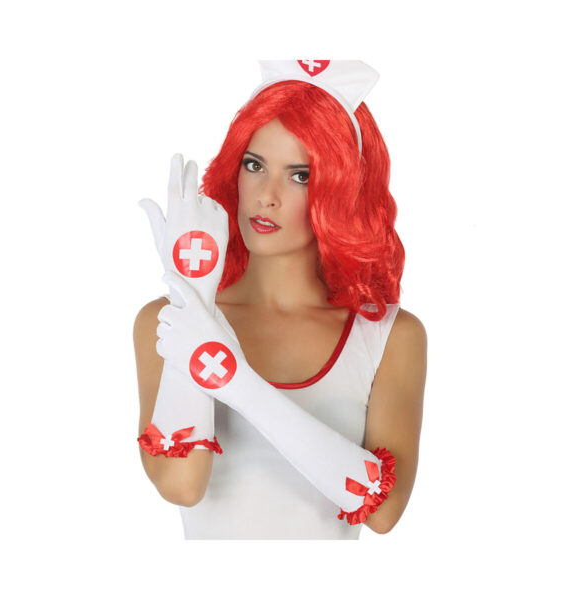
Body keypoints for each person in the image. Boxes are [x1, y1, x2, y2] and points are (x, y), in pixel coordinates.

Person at [133, 60, 427, 540]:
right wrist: (194, 297)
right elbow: (182, 484)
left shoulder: (388, 335)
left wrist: (237, 382)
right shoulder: (169, 321)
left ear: (342, 192)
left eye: (300, 176)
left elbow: (382, 509)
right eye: (254, 165)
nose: (266, 196)